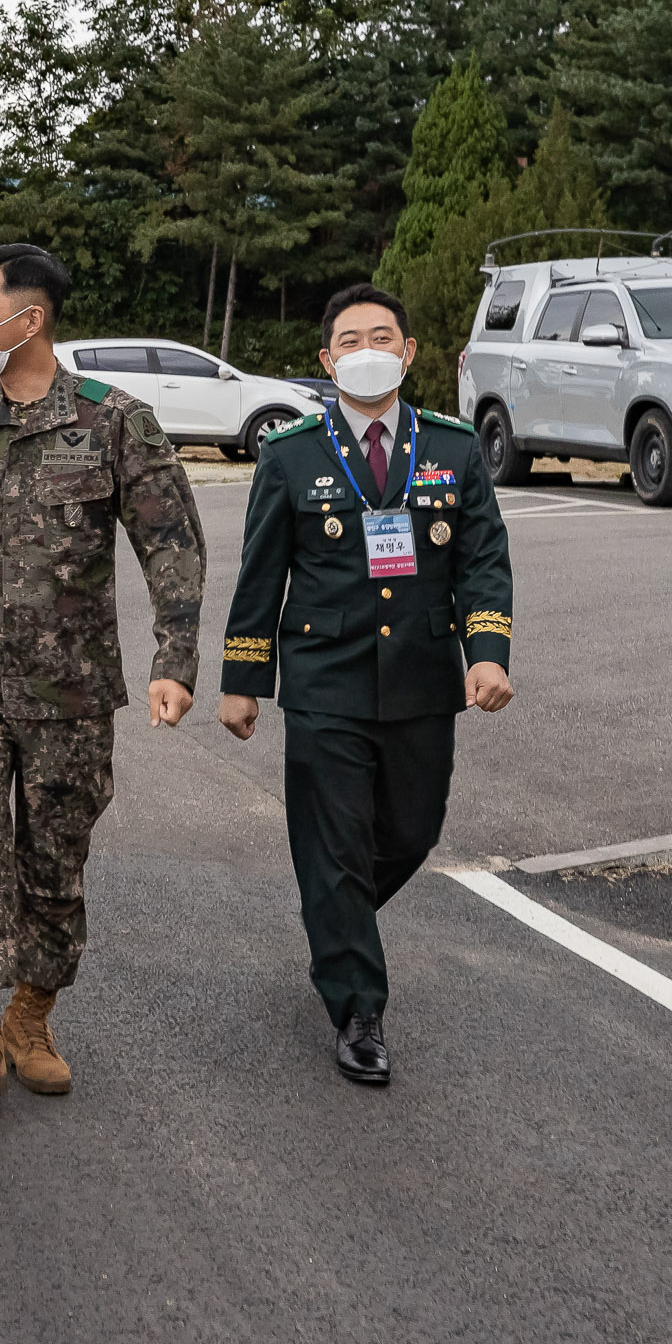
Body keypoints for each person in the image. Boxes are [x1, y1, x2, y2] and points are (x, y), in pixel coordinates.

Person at [0, 245, 206, 1114]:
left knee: (55, 861)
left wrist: (173, 661)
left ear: (29, 318)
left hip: (70, 690)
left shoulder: (114, 421)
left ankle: (33, 1012)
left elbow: (171, 547)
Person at [218, 283, 514, 1087]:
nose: (367, 348)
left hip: (422, 677)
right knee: (338, 842)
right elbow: (260, 574)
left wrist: (487, 653)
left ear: (410, 352)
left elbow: (482, 561)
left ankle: (333, 916)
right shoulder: (292, 451)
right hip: (324, 679)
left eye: (383, 334)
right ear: (327, 359)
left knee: (411, 831)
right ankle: (357, 1007)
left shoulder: (452, 449)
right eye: (350, 339)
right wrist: (243, 679)